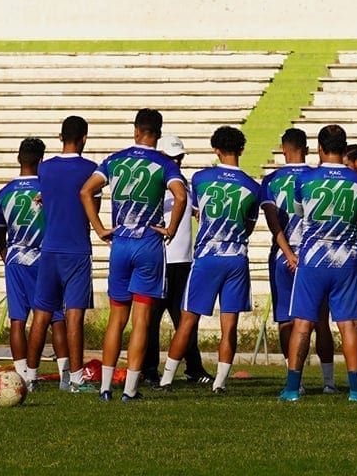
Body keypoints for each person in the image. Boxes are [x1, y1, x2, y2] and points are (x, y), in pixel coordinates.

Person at [84, 109, 187, 401]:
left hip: (121, 241)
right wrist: (170, 229)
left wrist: (101, 228)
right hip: (148, 243)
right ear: (158, 133)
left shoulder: (116, 159)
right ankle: (130, 389)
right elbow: (180, 196)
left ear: (136, 130)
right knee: (141, 319)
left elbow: (86, 191)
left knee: (116, 317)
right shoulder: (165, 163)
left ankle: (105, 388)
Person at [160, 126, 263, 392]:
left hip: (207, 255)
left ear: (215, 149)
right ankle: (220, 383)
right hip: (236, 257)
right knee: (229, 324)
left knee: (188, 319)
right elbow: (248, 227)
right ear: (241, 150)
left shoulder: (201, 178)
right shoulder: (253, 186)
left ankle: (167, 379)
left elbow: (198, 212)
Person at [279, 125, 357, 402]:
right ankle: (355, 390)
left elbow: (299, 214)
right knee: (349, 325)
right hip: (346, 260)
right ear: (344, 148)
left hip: (313, 260)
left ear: (319, 148)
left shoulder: (305, 180)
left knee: (303, 323)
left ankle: (293, 388)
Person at [263, 128, 334, 390]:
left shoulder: (271, 179)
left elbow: (273, 223)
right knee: (321, 320)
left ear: (283, 149)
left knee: (286, 320)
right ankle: (329, 382)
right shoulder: (317, 177)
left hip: (283, 255)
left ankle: (296, 380)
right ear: (307, 148)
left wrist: (289, 254)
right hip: (315, 255)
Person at [31, 115, 97, 392]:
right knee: (74, 315)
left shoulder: (44, 169)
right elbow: (91, 203)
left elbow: (44, 199)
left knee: (41, 315)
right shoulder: (90, 169)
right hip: (77, 248)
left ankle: (29, 377)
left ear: (60, 137)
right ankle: (76, 379)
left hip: (50, 248)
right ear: (84, 138)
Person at [142, 135, 207, 385]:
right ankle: (148, 370)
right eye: (172, 158)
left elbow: (186, 206)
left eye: (179, 157)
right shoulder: (156, 183)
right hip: (160, 259)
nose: (177, 162)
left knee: (185, 318)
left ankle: (194, 368)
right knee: (151, 320)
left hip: (183, 261)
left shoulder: (183, 184)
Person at [0, 138, 46, 388]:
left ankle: (22, 373)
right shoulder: (47, 189)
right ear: (41, 160)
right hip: (43, 257)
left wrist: (7, 254)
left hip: (15, 256)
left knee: (18, 319)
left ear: (18, 159)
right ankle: (61, 374)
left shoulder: (4, 192)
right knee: (47, 316)